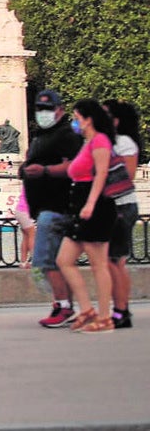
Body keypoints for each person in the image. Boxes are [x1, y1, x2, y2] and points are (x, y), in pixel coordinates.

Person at [19, 89, 84, 327]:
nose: (43, 113)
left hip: (57, 207)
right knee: (55, 261)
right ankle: (65, 305)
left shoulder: (67, 135)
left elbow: (75, 167)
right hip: (45, 207)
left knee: (45, 262)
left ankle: (63, 306)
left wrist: (44, 171)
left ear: (60, 110)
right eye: (40, 109)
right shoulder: (40, 136)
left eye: (48, 109)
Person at [55, 99, 117, 333]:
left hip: (95, 205)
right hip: (80, 204)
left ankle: (104, 317)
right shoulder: (87, 141)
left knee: (98, 264)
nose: (76, 122)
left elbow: (101, 173)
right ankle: (87, 309)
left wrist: (90, 203)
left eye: (78, 117)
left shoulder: (99, 140)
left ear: (88, 118)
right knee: (64, 260)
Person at [103, 100, 139, 329]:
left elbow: (129, 174)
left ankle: (121, 310)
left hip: (120, 205)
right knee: (114, 260)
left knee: (114, 261)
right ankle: (120, 309)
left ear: (116, 120)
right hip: (116, 205)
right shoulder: (112, 142)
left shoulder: (122, 142)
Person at [12, 189, 35, 269]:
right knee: (32, 234)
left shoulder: (28, 181)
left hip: (20, 210)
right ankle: (35, 261)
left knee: (26, 236)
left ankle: (23, 262)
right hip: (25, 211)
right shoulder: (36, 182)